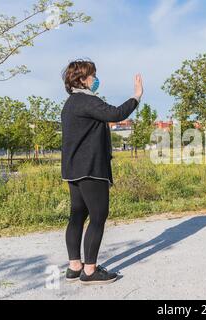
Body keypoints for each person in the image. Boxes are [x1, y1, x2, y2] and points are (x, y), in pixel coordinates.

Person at [61, 59, 143, 284]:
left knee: (78, 214)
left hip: (73, 169)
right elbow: (116, 113)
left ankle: (74, 266)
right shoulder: (87, 101)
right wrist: (136, 95)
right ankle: (90, 271)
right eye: (92, 75)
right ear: (81, 79)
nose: (96, 79)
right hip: (91, 169)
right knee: (98, 216)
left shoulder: (70, 103)